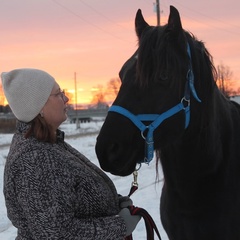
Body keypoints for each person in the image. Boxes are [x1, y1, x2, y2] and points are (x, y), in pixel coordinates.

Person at [1, 68, 141, 239]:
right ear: (40, 107)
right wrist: (120, 225)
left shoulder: (48, 145)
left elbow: (67, 198)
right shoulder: (35, 158)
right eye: (59, 94)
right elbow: (57, 234)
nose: (66, 98)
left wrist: (113, 205)